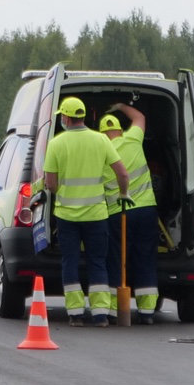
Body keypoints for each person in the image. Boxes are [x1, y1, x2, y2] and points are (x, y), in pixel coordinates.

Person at [41, 95, 128, 326]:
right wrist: (123, 194)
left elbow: (50, 184)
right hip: (96, 215)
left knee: (70, 261)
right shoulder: (101, 140)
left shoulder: (56, 144)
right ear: (83, 117)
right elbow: (122, 173)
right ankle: (100, 314)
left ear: (66, 118)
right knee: (97, 262)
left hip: (67, 215)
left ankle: (76, 313)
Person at [101, 106, 161, 323]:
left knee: (116, 259)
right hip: (145, 210)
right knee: (145, 257)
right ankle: (147, 313)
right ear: (120, 129)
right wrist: (120, 106)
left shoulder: (102, 153)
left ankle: (113, 309)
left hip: (118, 214)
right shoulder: (133, 139)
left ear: (102, 135)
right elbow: (140, 116)